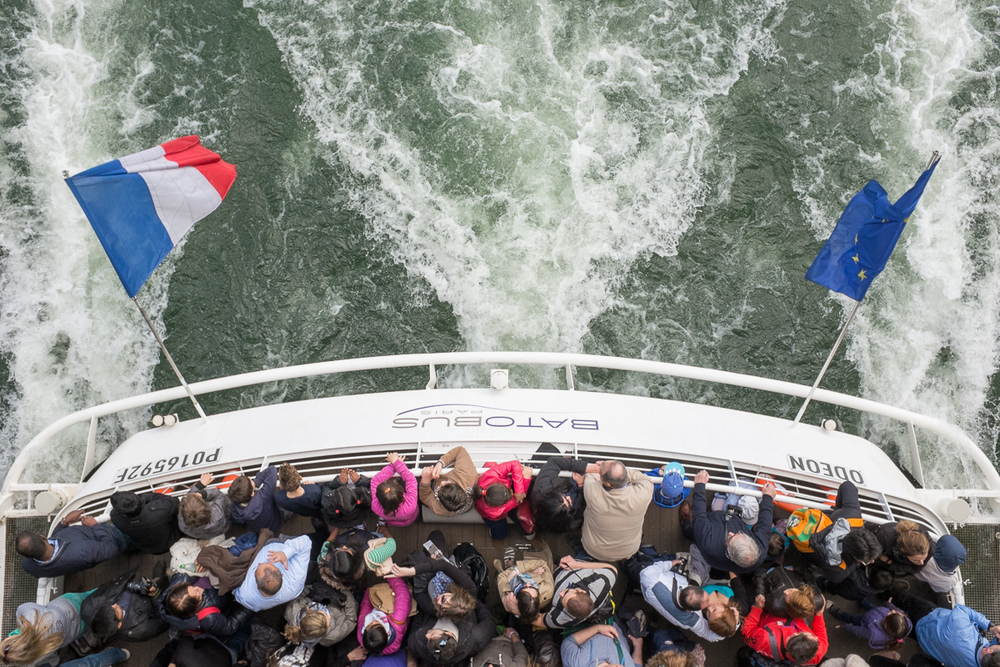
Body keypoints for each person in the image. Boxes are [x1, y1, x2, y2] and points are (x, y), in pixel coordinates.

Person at [689, 470, 776, 574]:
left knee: (696, 528)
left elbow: (698, 516)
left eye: (730, 538)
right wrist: (768, 497)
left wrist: (699, 485)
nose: (731, 533)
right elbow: (764, 527)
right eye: (740, 533)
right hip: (731, 519)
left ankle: (686, 525)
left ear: (730, 554)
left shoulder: (709, 543)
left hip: (711, 525)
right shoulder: (759, 552)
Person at [892, 592, 1000, 667]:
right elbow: (987, 654)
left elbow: (960, 609)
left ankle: (887, 596)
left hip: (925, 620)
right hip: (926, 644)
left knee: (904, 600)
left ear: (989, 651)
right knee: (901, 629)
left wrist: (990, 626)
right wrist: (996, 640)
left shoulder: (964, 633)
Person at [806, 481, 882, 585]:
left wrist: (838, 509)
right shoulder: (841, 570)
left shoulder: (853, 515)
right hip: (808, 552)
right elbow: (832, 577)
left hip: (810, 525)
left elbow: (848, 485)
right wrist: (856, 564)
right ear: (855, 557)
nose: (872, 561)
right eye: (867, 561)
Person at [16, 509, 127, 578]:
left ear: (26, 556)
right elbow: (111, 548)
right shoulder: (82, 552)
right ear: (42, 537)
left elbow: (53, 540)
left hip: (88, 541)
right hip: (112, 536)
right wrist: (95, 525)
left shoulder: (29, 567)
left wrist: (65, 522)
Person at [639, 558, 728, 642]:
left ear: (689, 586)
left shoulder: (658, 585)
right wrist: (731, 627)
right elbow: (710, 635)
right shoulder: (690, 620)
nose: (709, 607)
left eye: (708, 613)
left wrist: (669, 564)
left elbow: (645, 574)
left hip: (648, 575)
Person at [580, 459, 654, 561]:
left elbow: (591, 473)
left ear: (608, 484)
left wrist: (600, 468)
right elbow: (644, 478)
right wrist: (621, 474)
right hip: (629, 550)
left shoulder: (593, 493)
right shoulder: (642, 496)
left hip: (594, 550)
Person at [82, 565, 169, 645]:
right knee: (167, 589)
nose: (115, 605)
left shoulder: (87, 607)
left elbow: (105, 587)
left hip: (140, 587)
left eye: (111, 606)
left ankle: (157, 579)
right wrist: (154, 595)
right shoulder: (140, 631)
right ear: (119, 624)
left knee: (157, 582)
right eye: (116, 610)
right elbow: (163, 622)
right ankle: (164, 581)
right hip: (156, 601)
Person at [0, 592, 92, 666]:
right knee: (93, 596)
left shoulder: (38, 657)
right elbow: (21, 609)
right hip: (70, 604)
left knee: (94, 615)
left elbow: (54, 660)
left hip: (78, 629)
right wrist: (22, 627)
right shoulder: (31, 617)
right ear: (11, 640)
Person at [740, 593, 829, 666]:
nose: (817, 637)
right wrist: (819, 615)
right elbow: (821, 636)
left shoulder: (765, 640)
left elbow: (746, 631)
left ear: (795, 634)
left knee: (744, 606)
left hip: (765, 614)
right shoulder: (815, 654)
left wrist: (757, 608)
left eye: (812, 635)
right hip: (791, 617)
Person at [234, 534, 312, 611]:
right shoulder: (296, 579)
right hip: (281, 544)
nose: (259, 563)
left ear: (257, 586)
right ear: (281, 574)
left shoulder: (246, 596)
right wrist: (285, 553)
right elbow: (306, 541)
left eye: (257, 568)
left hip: (263, 546)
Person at [160, 573, 251, 638]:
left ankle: (176, 625)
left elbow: (178, 576)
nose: (196, 588)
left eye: (191, 587)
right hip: (231, 602)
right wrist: (248, 606)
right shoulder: (210, 619)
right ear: (194, 607)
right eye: (196, 594)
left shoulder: (176, 588)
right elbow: (230, 627)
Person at [529, 454, 598, 533]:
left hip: (563, 484)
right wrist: (580, 485)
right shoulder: (572, 521)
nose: (568, 497)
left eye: (563, 496)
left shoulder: (542, 488)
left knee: (550, 450)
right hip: (575, 488)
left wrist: (584, 468)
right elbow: (583, 507)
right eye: (568, 502)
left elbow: (554, 462)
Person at [545, 556, 617, 629]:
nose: (560, 594)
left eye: (562, 599)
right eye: (566, 592)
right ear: (582, 591)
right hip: (574, 565)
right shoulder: (601, 582)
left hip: (549, 581)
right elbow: (612, 569)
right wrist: (577, 564)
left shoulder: (560, 619)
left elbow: (542, 621)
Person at [494, 541, 555, 624]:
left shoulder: (508, 602)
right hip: (530, 573)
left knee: (505, 576)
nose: (528, 584)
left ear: (516, 597)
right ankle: (513, 567)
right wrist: (518, 569)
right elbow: (542, 564)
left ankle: (509, 566)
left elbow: (501, 578)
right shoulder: (548, 590)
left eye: (525, 587)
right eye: (533, 588)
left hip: (511, 578)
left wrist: (512, 573)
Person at [284, 584, 359, 649]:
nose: (329, 617)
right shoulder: (334, 635)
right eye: (329, 622)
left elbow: (301, 592)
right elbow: (351, 619)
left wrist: (315, 587)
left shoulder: (292, 610)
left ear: (310, 611)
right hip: (345, 601)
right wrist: (345, 592)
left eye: (325, 614)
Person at [108, 489, 181, 554]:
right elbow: (175, 502)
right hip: (170, 540)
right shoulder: (158, 511)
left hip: (148, 548)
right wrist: (148, 497)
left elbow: (114, 513)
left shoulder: (116, 519)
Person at [473, 459, 531, 539]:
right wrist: (526, 480)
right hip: (493, 516)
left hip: (504, 507)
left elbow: (514, 464)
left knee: (520, 521)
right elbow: (517, 501)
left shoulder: (491, 475)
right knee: (500, 535)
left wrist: (519, 491)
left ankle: (526, 532)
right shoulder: (494, 512)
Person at [358, 574, 412, 656]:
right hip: (394, 601)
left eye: (369, 625)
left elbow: (365, 609)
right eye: (377, 624)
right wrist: (389, 575)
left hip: (378, 602)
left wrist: (370, 590)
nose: (373, 621)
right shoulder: (398, 620)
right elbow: (402, 593)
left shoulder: (362, 637)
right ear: (386, 632)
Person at [419, 445, 480, 517]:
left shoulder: (440, 510)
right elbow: (460, 450)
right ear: (457, 486)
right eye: (447, 484)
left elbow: (425, 497)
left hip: (431, 485)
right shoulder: (466, 473)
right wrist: (440, 463)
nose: (442, 483)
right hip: (450, 470)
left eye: (439, 489)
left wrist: (425, 482)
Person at [827, 601, 911, 650]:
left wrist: (845, 626)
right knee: (870, 606)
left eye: (891, 614)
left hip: (864, 620)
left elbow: (858, 630)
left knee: (852, 618)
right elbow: (898, 611)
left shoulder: (872, 633)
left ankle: (839, 614)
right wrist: (888, 603)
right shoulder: (905, 624)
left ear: (885, 624)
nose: (892, 610)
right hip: (876, 611)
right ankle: (863, 601)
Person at [228, 464, 285, 534]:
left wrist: (251, 486)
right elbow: (272, 469)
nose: (249, 477)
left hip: (257, 529)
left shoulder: (234, 504)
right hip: (276, 524)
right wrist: (256, 482)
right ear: (251, 494)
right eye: (250, 480)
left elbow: (238, 518)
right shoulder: (265, 495)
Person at [560, 620, 643, 667]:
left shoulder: (576, 663)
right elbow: (637, 665)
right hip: (619, 628)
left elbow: (569, 641)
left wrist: (597, 628)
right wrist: (638, 646)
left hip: (588, 621)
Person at [178, 472, 233, 540]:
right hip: (223, 527)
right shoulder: (217, 514)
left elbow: (188, 502)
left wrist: (200, 485)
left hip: (203, 534)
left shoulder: (182, 523)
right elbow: (219, 495)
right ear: (206, 508)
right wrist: (203, 494)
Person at [756, 566, 824, 619]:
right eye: (790, 591)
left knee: (759, 570)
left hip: (768, 574)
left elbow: (761, 584)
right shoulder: (816, 598)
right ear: (802, 590)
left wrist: (760, 593)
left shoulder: (775, 604)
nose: (785, 592)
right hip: (789, 571)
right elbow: (808, 577)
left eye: (785, 597)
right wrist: (795, 569)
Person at [371, 452, 419, 527]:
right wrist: (396, 463)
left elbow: (375, 481)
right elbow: (410, 479)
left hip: (392, 521)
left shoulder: (375, 507)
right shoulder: (410, 505)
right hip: (409, 519)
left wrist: (394, 464)